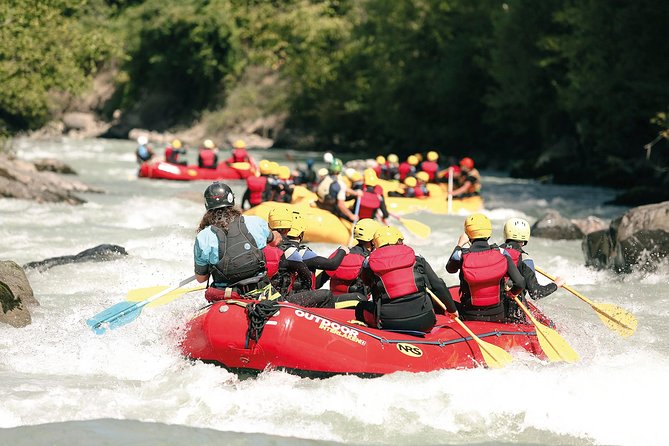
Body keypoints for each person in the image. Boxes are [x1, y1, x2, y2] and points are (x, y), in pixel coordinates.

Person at [356, 226, 458, 332]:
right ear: (399, 241)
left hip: (389, 323)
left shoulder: (369, 262)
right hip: (426, 321)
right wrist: (452, 309)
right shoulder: (416, 257)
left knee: (360, 307)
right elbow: (438, 285)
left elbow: (366, 282)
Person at [193, 182, 280, 302]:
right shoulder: (255, 222)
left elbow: (201, 278)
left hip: (226, 296)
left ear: (207, 205)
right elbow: (274, 242)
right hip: (260, 291)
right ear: (231, 200)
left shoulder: (203, 236)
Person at [445, 214, 526, 322]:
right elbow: (520, 282)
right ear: (489, 233)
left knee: (439, 297)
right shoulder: (502, 253)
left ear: (468, 234)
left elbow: (450, 269)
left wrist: (459, 245)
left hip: (470, 315)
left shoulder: (461, 255)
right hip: (499, 314)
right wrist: (512, 293)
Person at [499, 217, 565, 321]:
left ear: (506, 233)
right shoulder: (525, 259)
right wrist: (555, 284)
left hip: (492, 306)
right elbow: (536, 293)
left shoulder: (494, 251)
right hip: (512, 312)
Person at [316, 218, 380, 295]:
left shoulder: (340, 254)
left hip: (333, 301)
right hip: (357, 303)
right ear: (373, 241)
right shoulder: (370, 260)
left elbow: (317, 283)